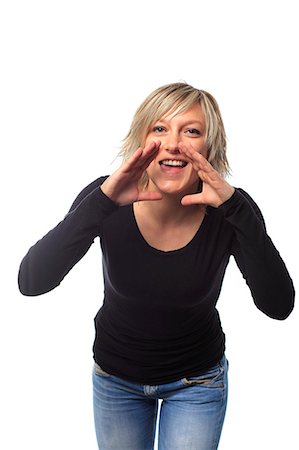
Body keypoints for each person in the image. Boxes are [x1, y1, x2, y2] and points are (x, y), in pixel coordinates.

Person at [18, 82, 295, 450]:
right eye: (159, 128)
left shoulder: (233, 210)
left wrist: (236, 210)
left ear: (210, 148)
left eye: (191, 131)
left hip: (197, 383)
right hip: (116, 379)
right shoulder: (106, 198)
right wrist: (101, 202)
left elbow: (278, 305)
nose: (174, 143)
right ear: (142, 139)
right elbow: (32, 281)